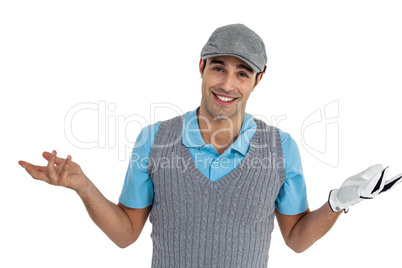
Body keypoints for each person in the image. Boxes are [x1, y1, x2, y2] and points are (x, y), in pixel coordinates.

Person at [18, 24, 402, 268]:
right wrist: (83, 186)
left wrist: (339, 202)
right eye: (218, 67)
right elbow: (125, 235)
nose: (227, 84)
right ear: (201, 67)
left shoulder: (280, 148)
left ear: (258, 80)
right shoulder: (154, 140)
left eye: (242, 73)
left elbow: (296, 239)